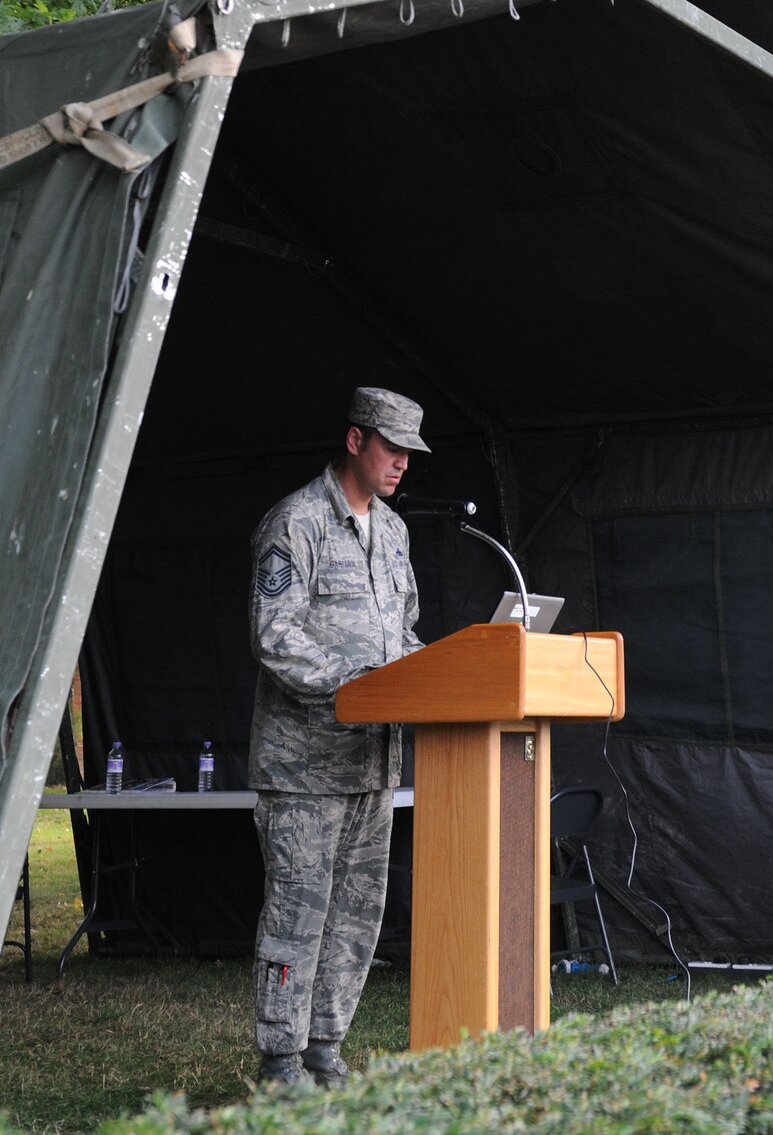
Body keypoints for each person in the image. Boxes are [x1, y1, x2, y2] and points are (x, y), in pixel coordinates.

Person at [248, 387, 427, 1088]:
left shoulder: (394, 531)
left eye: (411, 453)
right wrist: (362, 683)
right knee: (298, 912)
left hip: (373, 764)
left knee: (357, 919)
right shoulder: (296, 523)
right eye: (392, 447)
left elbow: (404, 631)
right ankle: (279, 1060)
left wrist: (431, 672)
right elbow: (274, 636)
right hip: (305, 767)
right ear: (356, 441)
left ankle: (324, 1050)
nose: (403, 463)